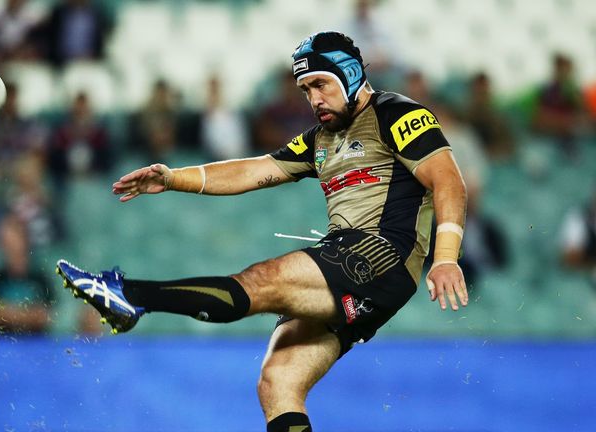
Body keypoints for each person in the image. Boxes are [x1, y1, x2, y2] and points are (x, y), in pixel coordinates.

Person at [56, 32, 468, 432]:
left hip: (380, 254)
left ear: (351, 74)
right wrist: (173, 178)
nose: (314, 99)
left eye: (321, 84)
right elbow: (254, 170)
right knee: (279, 381)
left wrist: (446, 257)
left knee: (263, 281)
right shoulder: (319, 141)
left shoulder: (397, 113)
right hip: (356, 268)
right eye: (306, 89)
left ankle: (129, 295)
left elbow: (448, 181)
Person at [0, 216, 54, 334]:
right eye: (6, 241)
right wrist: (29, 314)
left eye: (15, 239)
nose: (11, 246)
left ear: (25, 241)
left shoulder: (40, 277)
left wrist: (10, 313)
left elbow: (45, 316)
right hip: (0, 345)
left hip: (37, 346)